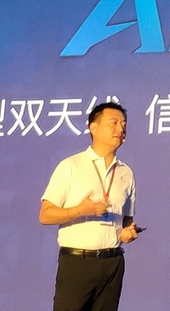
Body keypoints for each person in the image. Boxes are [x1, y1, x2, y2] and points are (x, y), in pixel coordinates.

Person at [39, 101, 144, 311]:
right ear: (93, 128)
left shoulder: (126, 173)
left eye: (124, 124)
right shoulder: (71, 166)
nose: (121, 129)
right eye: (113, 123)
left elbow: (126, 222)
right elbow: (45, 215)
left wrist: (127, 233)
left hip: (112, 262)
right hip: (78, 262)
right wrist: (80, 210)